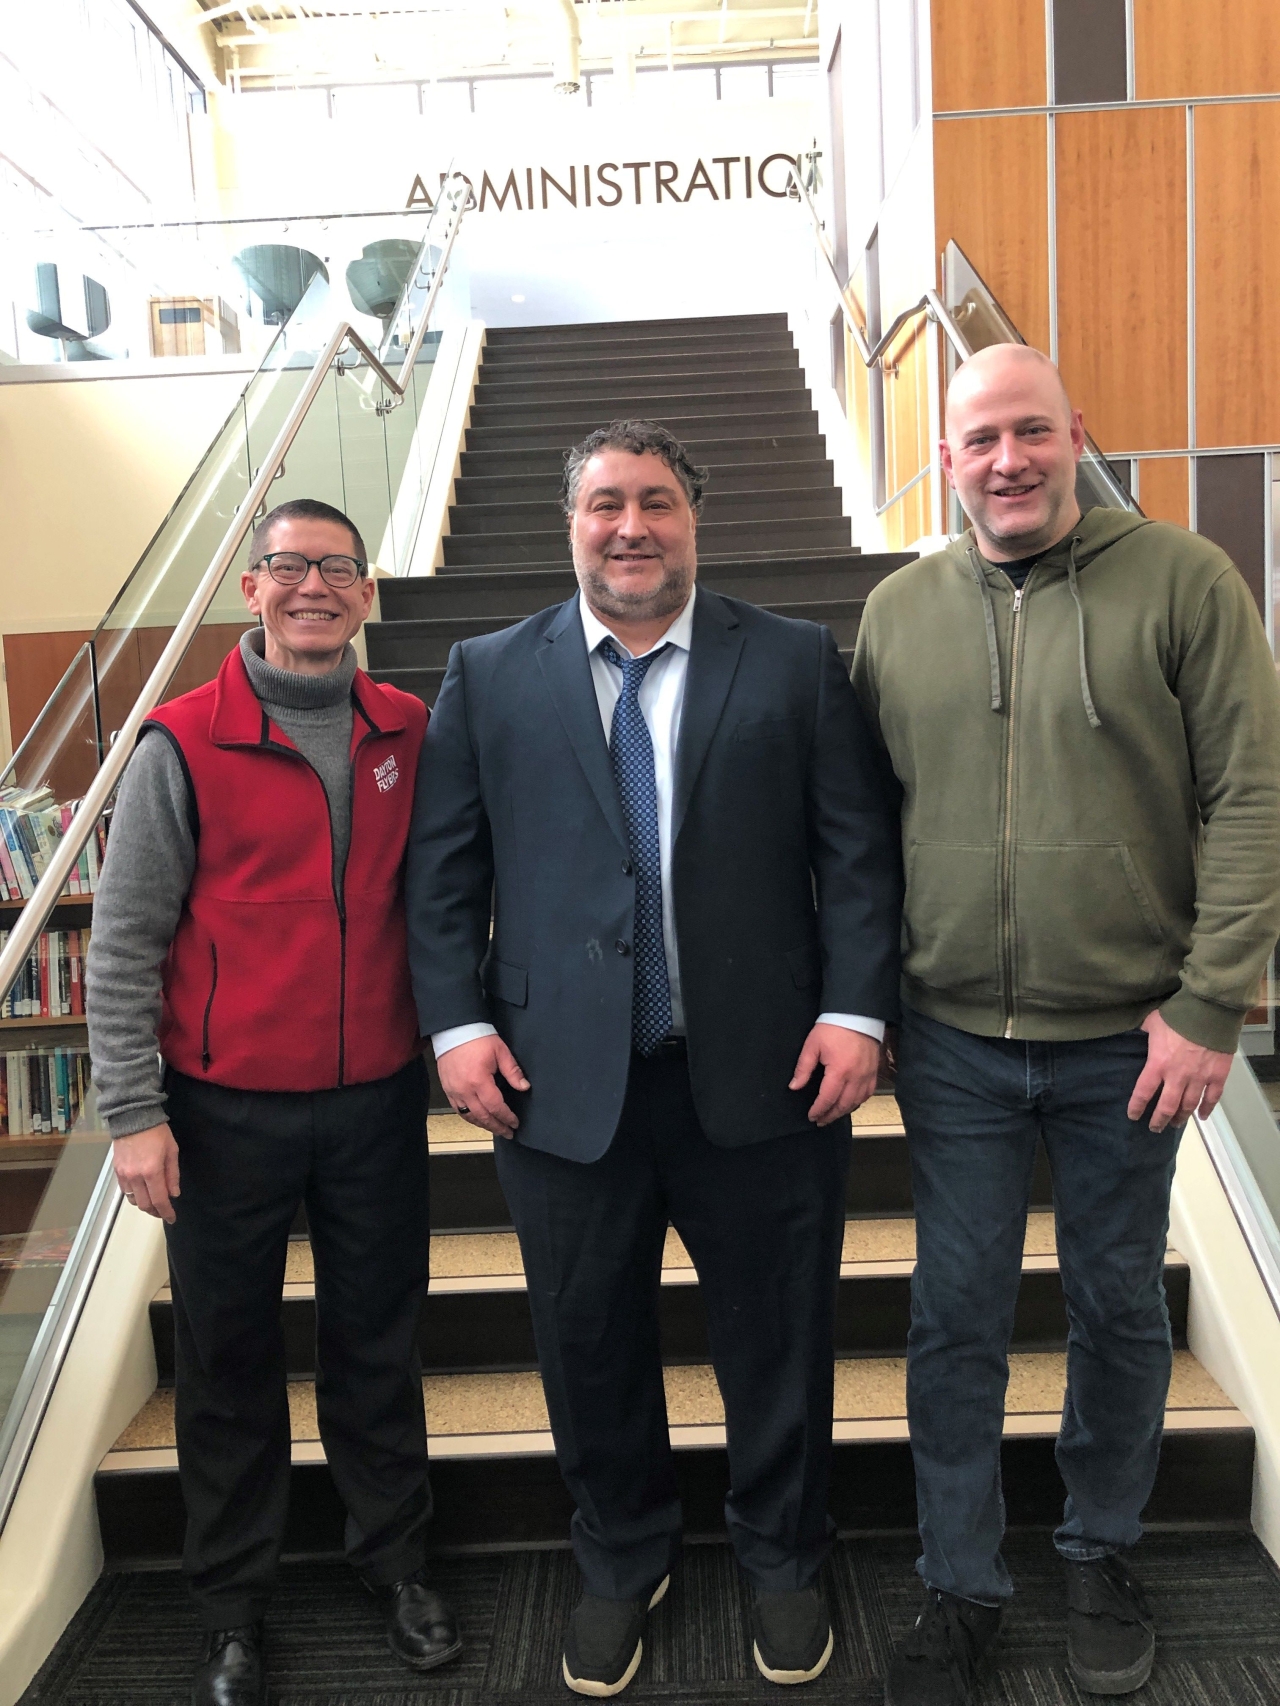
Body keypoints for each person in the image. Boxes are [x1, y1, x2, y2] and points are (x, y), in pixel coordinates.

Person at [406, 419, 901, 1696]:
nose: (630, 525)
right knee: (586, 1339)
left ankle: (782, 1552)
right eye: (605, 504)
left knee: (778, 1334)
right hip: (556, 1086)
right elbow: (445, 871)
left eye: (657, 502)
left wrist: (856, 1010)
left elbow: (852, 852)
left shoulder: (790, 660)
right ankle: (621, 1555)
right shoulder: (487, 669)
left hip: (766, 1076)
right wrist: (456, 1027)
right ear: (569, 523)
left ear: (696, 516)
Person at [852, 343, 1280, 1704]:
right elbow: (861, 832)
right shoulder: (899, 611)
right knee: (955, 1317)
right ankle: (960, 1583)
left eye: (1030, 431)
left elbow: (1253, 798)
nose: (1009, 461)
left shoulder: (1185, 582)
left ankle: (1100, 1547)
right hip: (956, 1040)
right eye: (979, 439)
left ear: (1075, 434)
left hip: (1129, 1044)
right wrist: (870, 1004)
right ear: (945, 459)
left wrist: (1212, 1002)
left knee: (1115, 1306)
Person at [87, 498, 460, 1706]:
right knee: (228, 1359)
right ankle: (233, 1604)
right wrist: (132, 1110)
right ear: (251, 587)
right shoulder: (179, 741)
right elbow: (125, 941)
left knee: (375, 1347)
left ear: (364, 592)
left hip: (372, 1107)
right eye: (290, 567)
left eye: (337, 569)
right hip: (220, 1114)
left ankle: (396, 1563)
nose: (314, 586)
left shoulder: (408, 726)